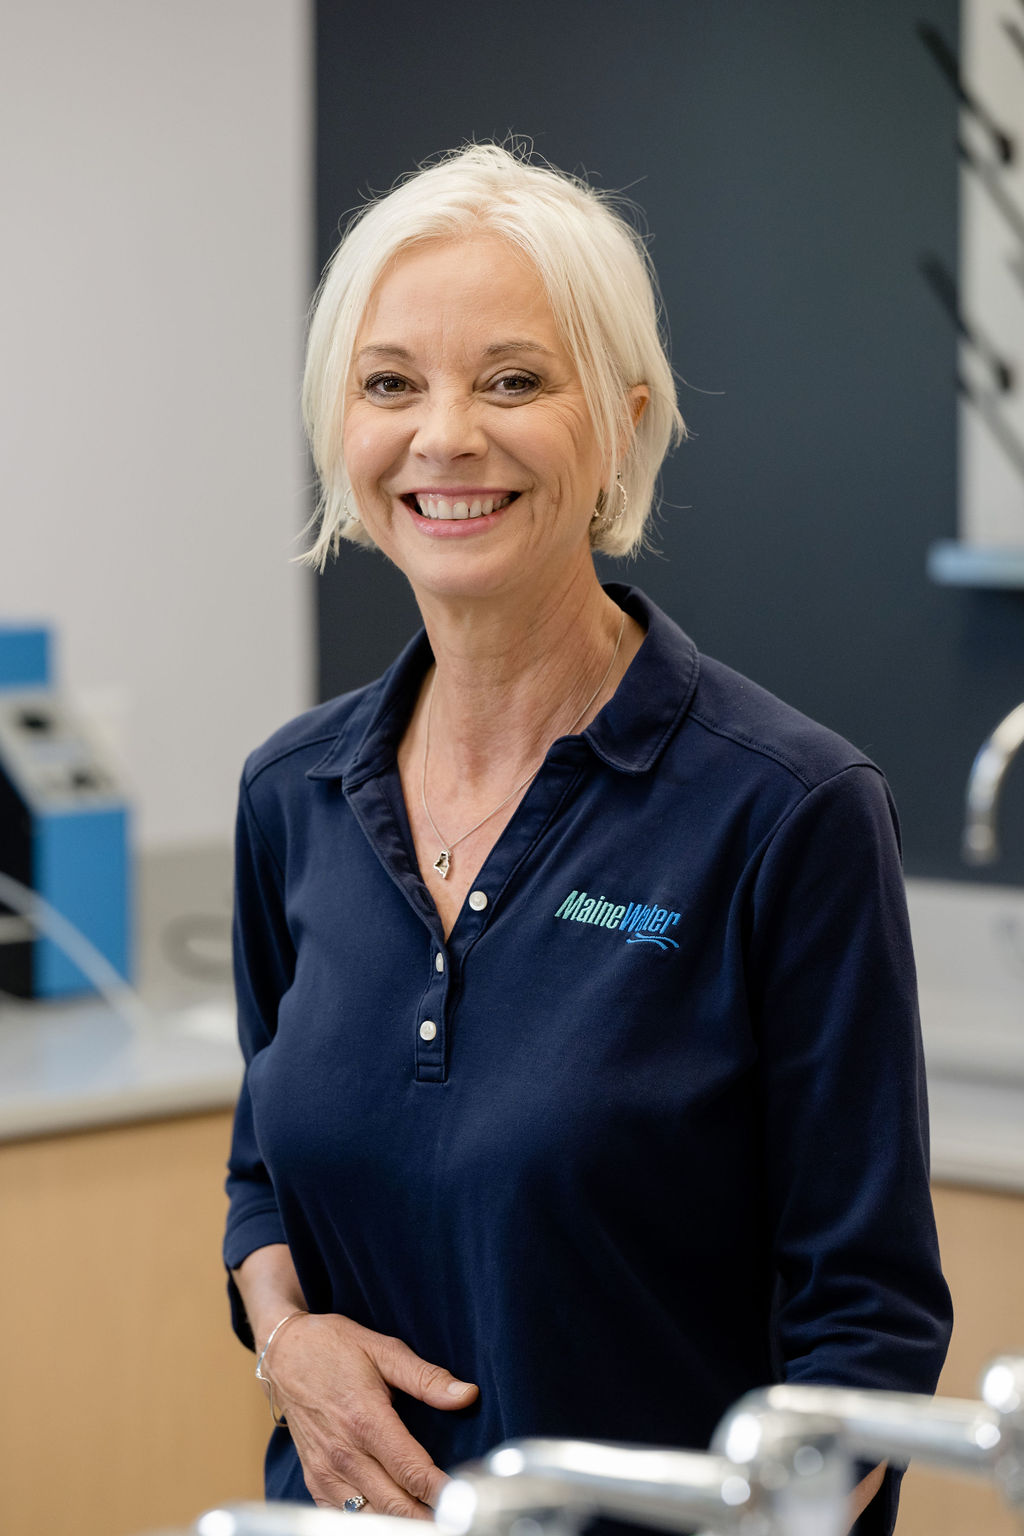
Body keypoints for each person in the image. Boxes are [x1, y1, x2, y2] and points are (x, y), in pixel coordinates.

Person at [224, 142, 952, 1535]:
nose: (446, 436)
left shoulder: (785, 813)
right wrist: (287, 1343)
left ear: (621, 422)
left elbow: (865, 1342)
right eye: (391, 383)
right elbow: (264, 1169)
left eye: (513, 380)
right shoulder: (291, 797)